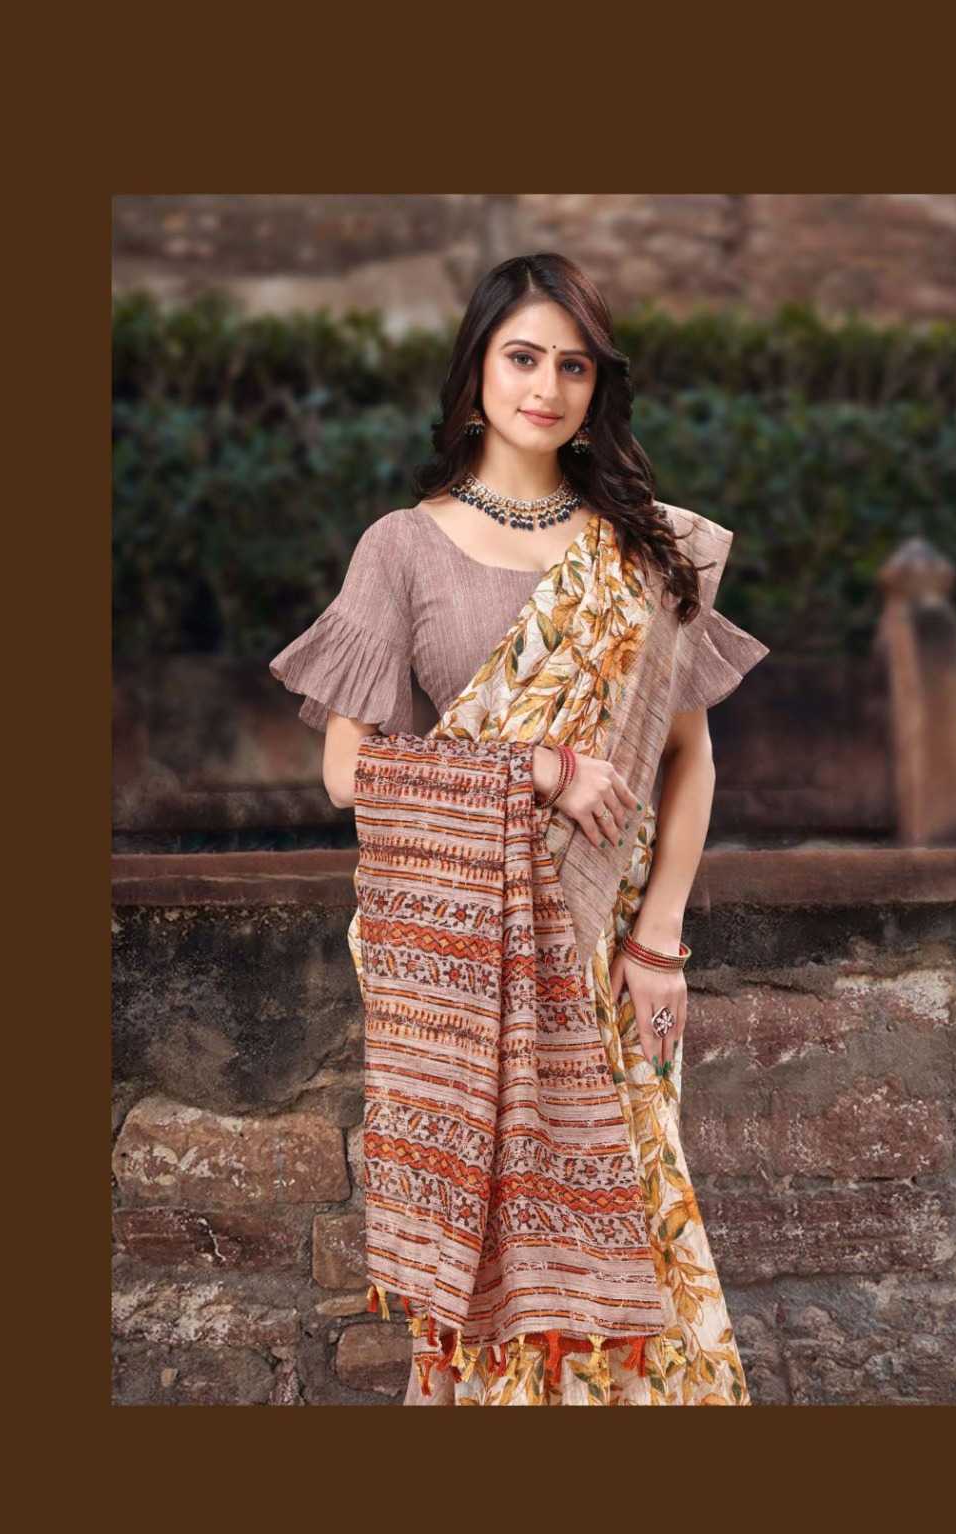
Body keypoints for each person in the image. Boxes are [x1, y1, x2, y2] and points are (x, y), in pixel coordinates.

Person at [270, 253, 769, 1406]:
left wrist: (657, 941)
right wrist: (534, 767)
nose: (546, 387)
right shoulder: (401, 547)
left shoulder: (638, 553)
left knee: (630, 1233)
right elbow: (348, 773)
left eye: (573, 365)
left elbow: (688, 759)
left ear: (598, 386)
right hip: (457, 963)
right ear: (477, 370)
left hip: (599, 955)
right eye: (523, 357)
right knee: (480, 1261)